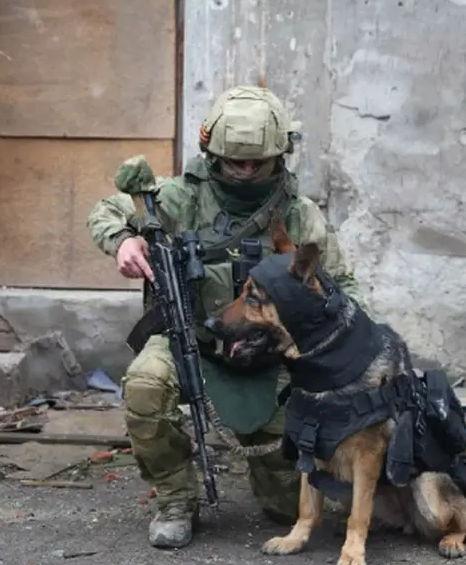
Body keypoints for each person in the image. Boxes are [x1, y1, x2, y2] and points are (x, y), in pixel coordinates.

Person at [86, 84, 366, 549]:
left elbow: (344, 287)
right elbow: (107, 211)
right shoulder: (180, 197)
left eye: (259, 162)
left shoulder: (299, 216)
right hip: (190, 341)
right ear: (212, 153)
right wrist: (124, 241)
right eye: (237, 162)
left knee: (286, 504)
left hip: (269, 357)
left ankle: (279, 475)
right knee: (146, 383)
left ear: (280, 156)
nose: (247, 171)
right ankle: (175, 499)